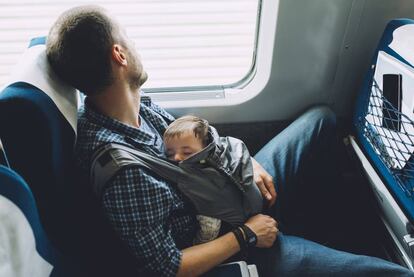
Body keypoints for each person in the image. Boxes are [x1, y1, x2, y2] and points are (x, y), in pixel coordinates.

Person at [46, 5, 414, 277]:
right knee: (395, 275)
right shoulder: (122, 174)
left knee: (320, 120)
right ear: (119, 54)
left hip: (220, 189)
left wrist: (247, 164)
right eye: (128, 38)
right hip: (219, 239)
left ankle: (320, 226)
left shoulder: (133, 105)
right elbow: (169, 266)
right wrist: (247, 235)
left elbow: (198, 137)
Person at [163, 115, 263, 244]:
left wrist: (198, 245)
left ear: (205, 148)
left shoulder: (201, 181)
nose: (176, 157)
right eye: (169, 154)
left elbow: (210, 225)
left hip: (237, 221)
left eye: (187, 153)